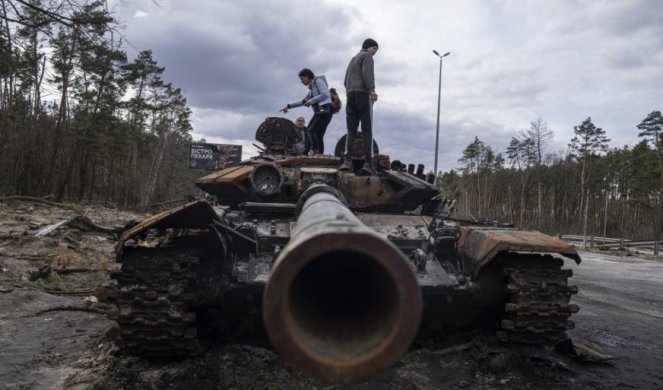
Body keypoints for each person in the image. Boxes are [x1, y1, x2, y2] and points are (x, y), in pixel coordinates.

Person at [339, 38, 379, 175]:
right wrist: (372, 90)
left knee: (351, 130)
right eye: (375, 49)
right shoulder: (367, 56)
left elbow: (345, 81)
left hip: (350, 95)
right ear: (369, 47)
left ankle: (347, 161)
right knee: (367, 130)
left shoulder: (353, 59)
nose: (375, 52)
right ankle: (368, 163)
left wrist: (350, 92)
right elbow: (367, 73)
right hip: (363, 94)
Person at [280, 68, 332, 155]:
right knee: (319, 135)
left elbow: (325, 94)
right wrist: (288, 106)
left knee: (310, 130)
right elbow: (303, 101)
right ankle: (319, 154)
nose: (301, 81)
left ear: (307, 76)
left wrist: (311, 101)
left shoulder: (318, 81)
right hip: (323, 112)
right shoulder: (312, 90)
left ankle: (315, 150)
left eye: (302, 79)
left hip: (324, 111)